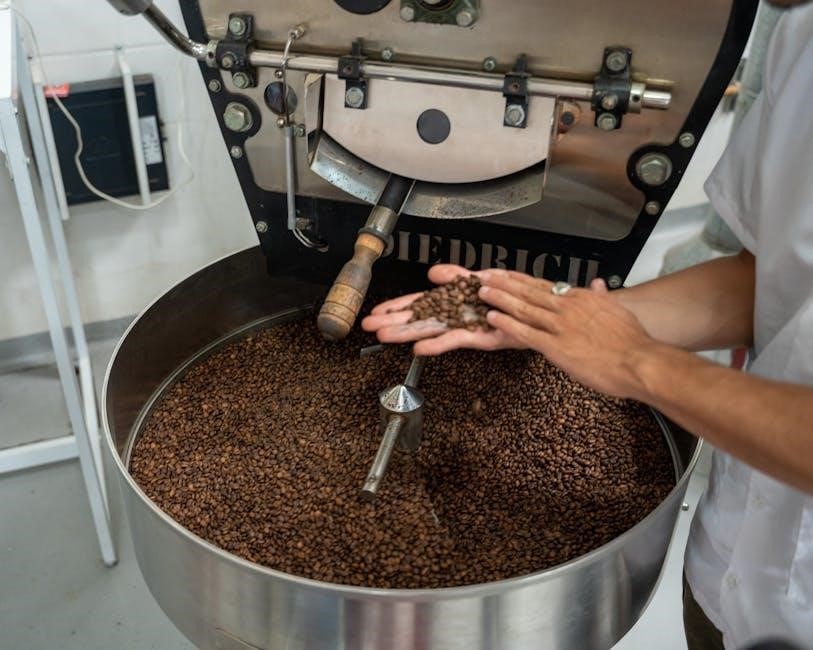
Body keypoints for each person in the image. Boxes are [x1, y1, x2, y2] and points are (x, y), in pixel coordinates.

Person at [362, 2, 813, 648]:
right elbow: (769, 281)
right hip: (730, 572)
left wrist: (636, 362)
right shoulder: (801, 36)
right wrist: (561, 317)